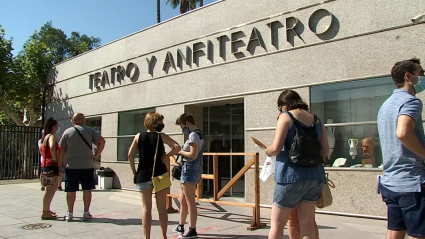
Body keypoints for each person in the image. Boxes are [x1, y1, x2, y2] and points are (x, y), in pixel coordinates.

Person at [266, 90, 328, 239]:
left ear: (284, 104)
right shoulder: (317, 120)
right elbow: (325, 151)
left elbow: (275, 148)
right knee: (307, 224)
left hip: (290, 176)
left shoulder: (285, 118)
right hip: (315, 176)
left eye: (280, 108)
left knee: (277, 224)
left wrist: (267, 151)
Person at [377, 58, 425, 239]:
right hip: (411, 181)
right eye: (421, 73)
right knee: (417, 234)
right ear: (408, 76)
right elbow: (403, 133)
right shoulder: (411, 102)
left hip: (390, 182)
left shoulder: (386, 104)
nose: (423, 77)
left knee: (394, 232)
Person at [128, 112, 181, 239]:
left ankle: (147, 237)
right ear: (154, 123)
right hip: (160, 175)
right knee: (162, 208)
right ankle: (164, 236)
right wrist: (166, 157)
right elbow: (177, 147)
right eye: (160, 122)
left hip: (143, 174)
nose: (162, 124)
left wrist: (134, 172)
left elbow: (130, 155)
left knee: (146, 208)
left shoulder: (138, 136)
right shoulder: (161, 136)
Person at [59, 113, 105, 222]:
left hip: (71, 165)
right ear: (83, 120)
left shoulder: (67, 132)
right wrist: (96, 155)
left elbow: (61, 150)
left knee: (71, 190)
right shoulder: (90, 131)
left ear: (73, 120)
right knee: (87, 189)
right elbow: (102, 141)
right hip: (87, 164)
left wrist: (61, 164)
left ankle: (70, 213)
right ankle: (86, 212)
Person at [173, 113, 204, 239]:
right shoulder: (198, 133)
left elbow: (193, 154)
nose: (182, 129)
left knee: (190, 202)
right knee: (182, 200)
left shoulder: (193, 135)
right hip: (190, 169)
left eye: (182, 126)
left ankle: (192, 230)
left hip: (190, 169)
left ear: (187, 123)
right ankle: (181, 225)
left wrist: (179, 151)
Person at [40, 118, 60, 220]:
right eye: (57, 127)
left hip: (46, 164)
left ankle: (47, 209)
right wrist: (54, 157)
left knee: (52, 187)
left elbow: (41, 149)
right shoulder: (51, 136)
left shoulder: (44, 138)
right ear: (53, 127)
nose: (57, 129)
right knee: (50, 189)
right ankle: (45, 211)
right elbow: (52, 147)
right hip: (51, 164)